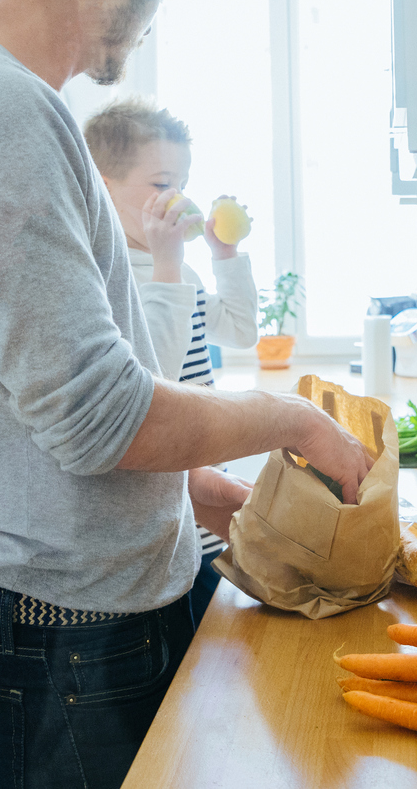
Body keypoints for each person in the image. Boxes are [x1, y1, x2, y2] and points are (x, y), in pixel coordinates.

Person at [0, 0, 373, 788]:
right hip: (71, 636)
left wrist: (198, 496)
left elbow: (40, 409)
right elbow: (101, 418)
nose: (156, 14)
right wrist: (295, 419)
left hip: (86, 619)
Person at [83, 99, 258, 626]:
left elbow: (242, 331)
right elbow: (148, 371)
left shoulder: (179, 273)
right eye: (161, 184)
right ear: (103, 187)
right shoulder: (110, 278)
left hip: (204, 506)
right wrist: (167, 264)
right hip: (167, 507)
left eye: (181, 182)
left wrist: (223, 255)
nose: (177, 198)